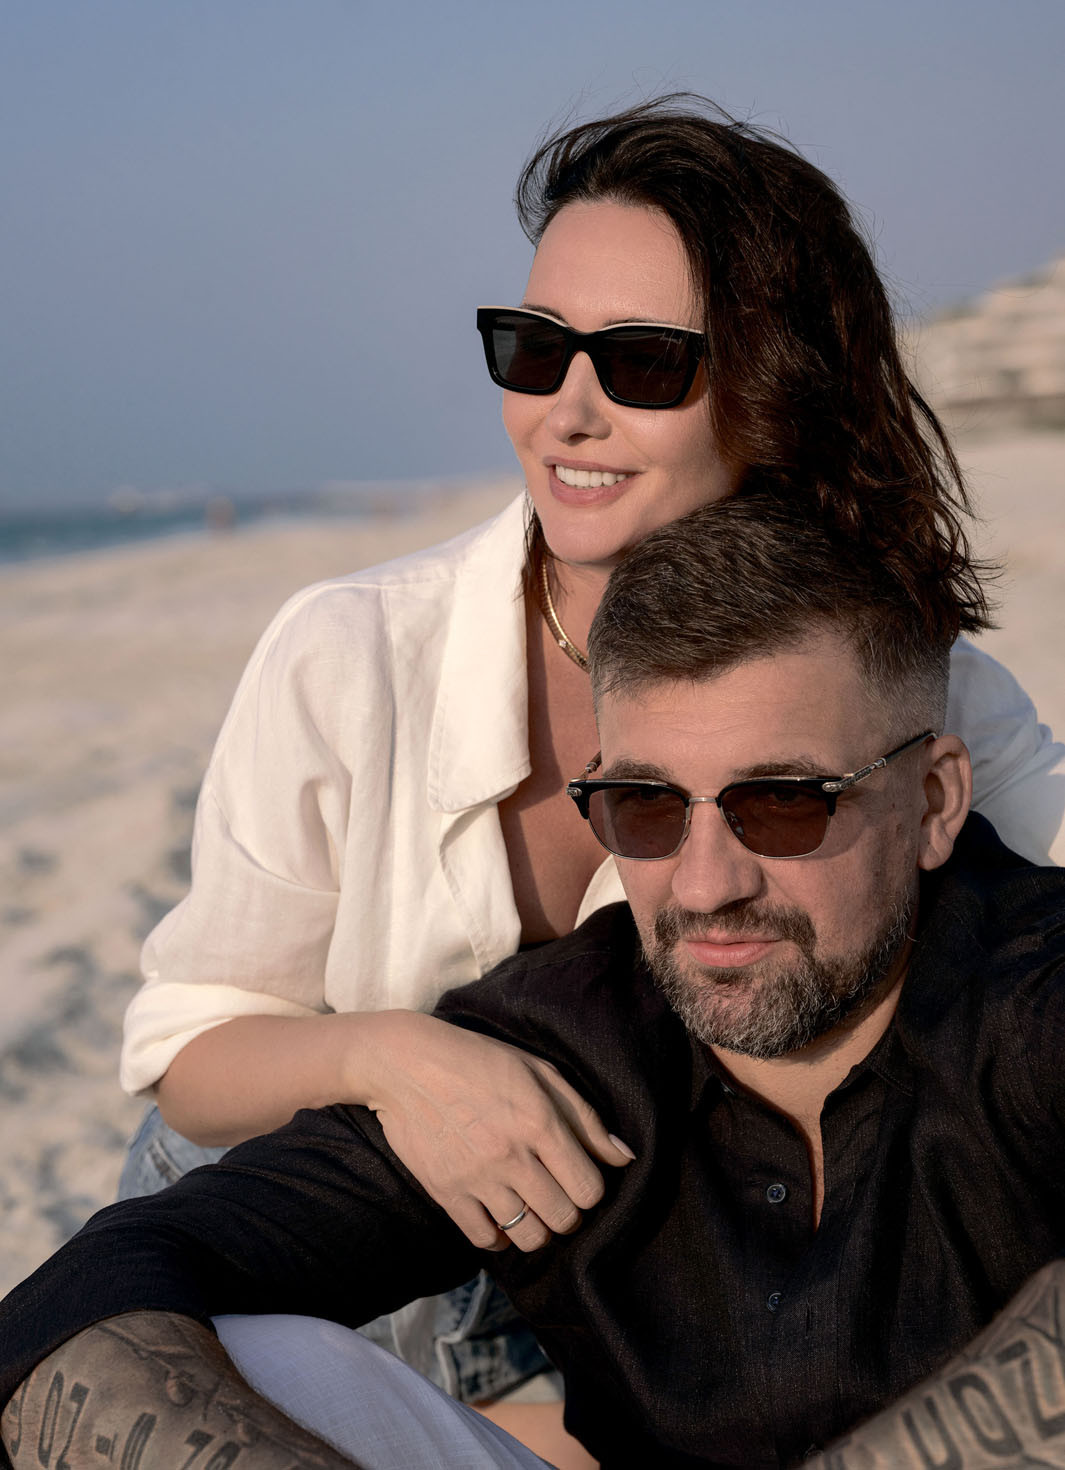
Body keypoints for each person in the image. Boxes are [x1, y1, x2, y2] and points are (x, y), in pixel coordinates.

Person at [114, 93, 1065, 1455]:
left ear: (776, 388)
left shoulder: (906, 683)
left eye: (642, 364)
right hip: (391, 1233)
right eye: (535, 348)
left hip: (674, 1271)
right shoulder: (351, 655)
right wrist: (398, 1057)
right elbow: (186, 1057)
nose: (567, 410)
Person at [3, 489, 1064, 1470]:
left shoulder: (1031, 1000)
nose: (706, 886)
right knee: (252, 1356)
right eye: (646, 807)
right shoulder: (572, 1045)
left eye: (783, 803)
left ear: (933, 804)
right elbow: (93, 1293)